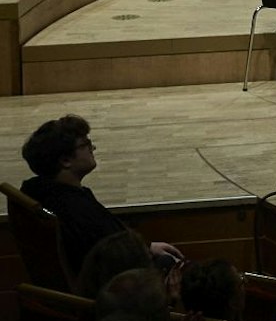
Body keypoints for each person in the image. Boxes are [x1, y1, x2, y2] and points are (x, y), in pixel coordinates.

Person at [19, 115, 182, 271]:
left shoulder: (40, 191)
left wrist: (147, 247)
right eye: (85, 144)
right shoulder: (76, 209)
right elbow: (117, 254)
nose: (92, 149)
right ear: (65, 160)